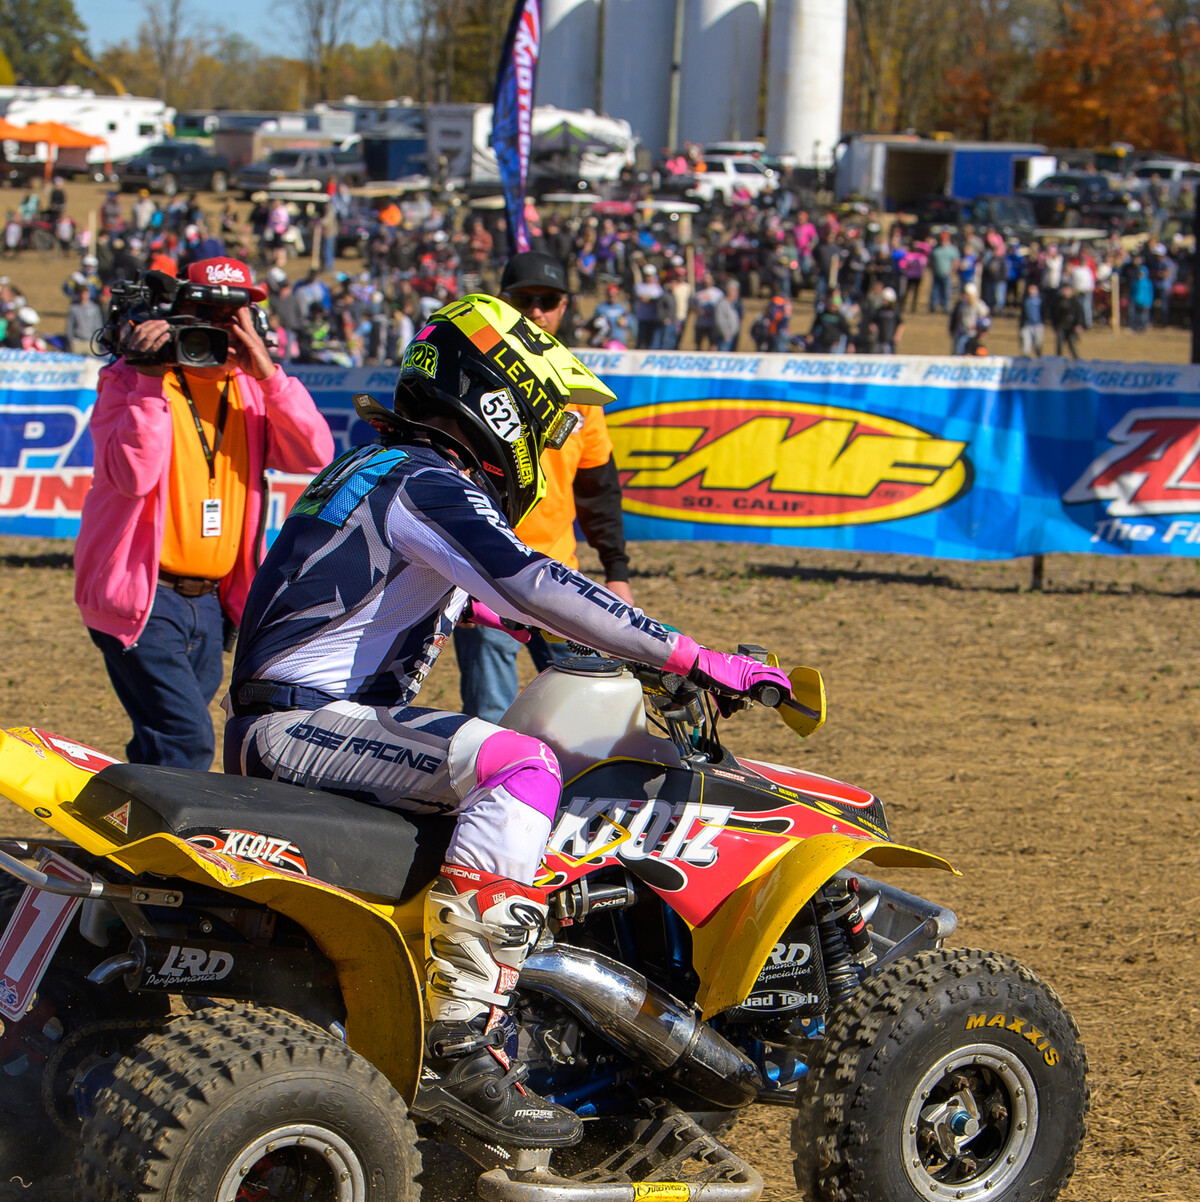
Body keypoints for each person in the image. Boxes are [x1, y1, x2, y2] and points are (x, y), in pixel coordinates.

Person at [223, 296, 792, 1147]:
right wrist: (690, 656)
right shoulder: (427, 479)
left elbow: (500, 603)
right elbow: (531, 580)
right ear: (498, 403)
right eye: (542, 417)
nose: (548, 435)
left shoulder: (381, 468)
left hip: (303, 722)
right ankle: (459, 1043)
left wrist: (618, 649)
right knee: (521, 767)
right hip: (304, 725)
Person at [76, 254, 336, 770]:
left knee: (161, 746)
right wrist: (150, 378)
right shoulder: (129, 381)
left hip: (212, 603)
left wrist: (265, 368)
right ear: (180, 311)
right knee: (187, 740)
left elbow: (315, 454)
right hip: (145, 601)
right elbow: (133, 477)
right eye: (206, 312)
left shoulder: (246, 388)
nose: (219, 327)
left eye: (232, 315)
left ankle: (116, 844)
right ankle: (161, 846)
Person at [452, 250, 634, 721]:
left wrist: (617, 571)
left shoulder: (581, 392)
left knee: (581, 716)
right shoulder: (467, 375)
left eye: (548, 300)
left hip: (558, 577)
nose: (536, 311)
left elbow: (598, 488)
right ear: (501, 301)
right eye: (523, 299)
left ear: (565, 305)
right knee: (491, 717)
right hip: (485, 575)